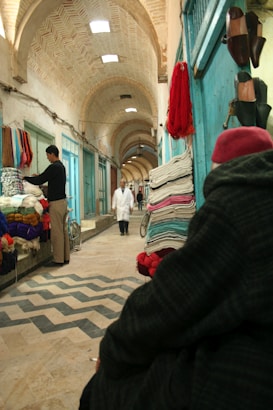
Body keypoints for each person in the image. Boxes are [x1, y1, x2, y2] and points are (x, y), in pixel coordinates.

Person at [79, 126, 273, 410]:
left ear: (218, 169)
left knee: (107, 392)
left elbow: (174, 299)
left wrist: (113, 348)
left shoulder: (234, 208)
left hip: (253, 371)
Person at [23, 145, 70, 267]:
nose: (47, 158)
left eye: (47, 155)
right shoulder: (61, 167)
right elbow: (48, 178)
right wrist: (37, 176)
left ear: (51, 154)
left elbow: (40, 180)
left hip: (56, 203)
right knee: (63, 231)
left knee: (56, 233)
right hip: (63, 202)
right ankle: (65, 257)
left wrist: (26, 178)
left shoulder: (53, 167)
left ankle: (58, 259)